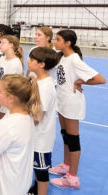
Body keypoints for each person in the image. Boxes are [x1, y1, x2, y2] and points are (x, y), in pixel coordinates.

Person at [49, 30, 105, 189]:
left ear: (67, 43)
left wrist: (79, 82)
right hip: (62, 102)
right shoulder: (62, 57)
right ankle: (66, 165)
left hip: (72, 103)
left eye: (58, 39)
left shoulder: (74, 59)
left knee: (73, 140)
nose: (55, 41)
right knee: (65, 135)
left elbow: (100, 79)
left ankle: (72, 179)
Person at [0, 74, 43, 195]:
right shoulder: (26, 117)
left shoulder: (7, 125)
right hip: (17, 185)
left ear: (11, 98)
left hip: (2, 188)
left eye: (0, 91)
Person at [26, 47, 58, 195]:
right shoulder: (37, 80)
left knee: (41, 172)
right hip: (34, 135)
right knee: (35, 169)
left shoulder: (46, 86)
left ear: (42, 64)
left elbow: (38, 117)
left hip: (41, 139)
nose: (28, 61)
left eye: (32, 59)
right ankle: (36, 189)